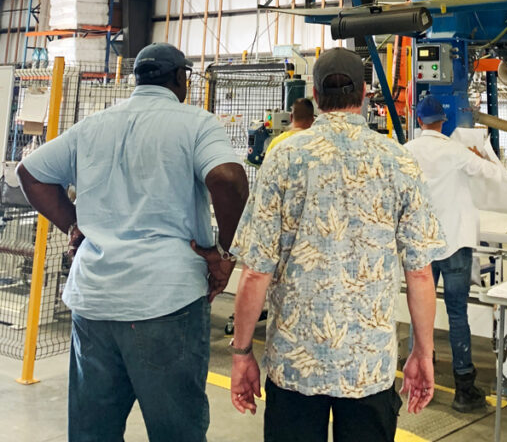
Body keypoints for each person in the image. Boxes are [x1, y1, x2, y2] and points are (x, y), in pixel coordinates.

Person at [17, 43, 249, 442]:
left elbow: (31, 173)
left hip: (94, 302)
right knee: (177, 430)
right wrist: (222, 253)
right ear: (181, 79)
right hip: (167, 299)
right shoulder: (195, 123)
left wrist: (74, 227)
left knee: (94, 431)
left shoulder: (94, 125)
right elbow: (227, 178)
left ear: (138, 78)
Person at [230, 47, 446, 442]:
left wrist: (242, 352)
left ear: (313, 93)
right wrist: (423, 353)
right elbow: (419, 273)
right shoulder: (398, 161)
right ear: (365, 94)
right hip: (368, 367)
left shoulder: (284, 157)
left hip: (295, 366)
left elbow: (256, 272)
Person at [404, 96, 506, 412]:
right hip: (456, 243)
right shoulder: (455, 151)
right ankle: (464, 389)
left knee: (419, 309)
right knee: (457, 311)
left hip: (422, 244)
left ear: (418, 120)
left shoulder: (406, 152)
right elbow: (496, 176)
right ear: (443, 120)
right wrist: (482, 156)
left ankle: (418, 377)